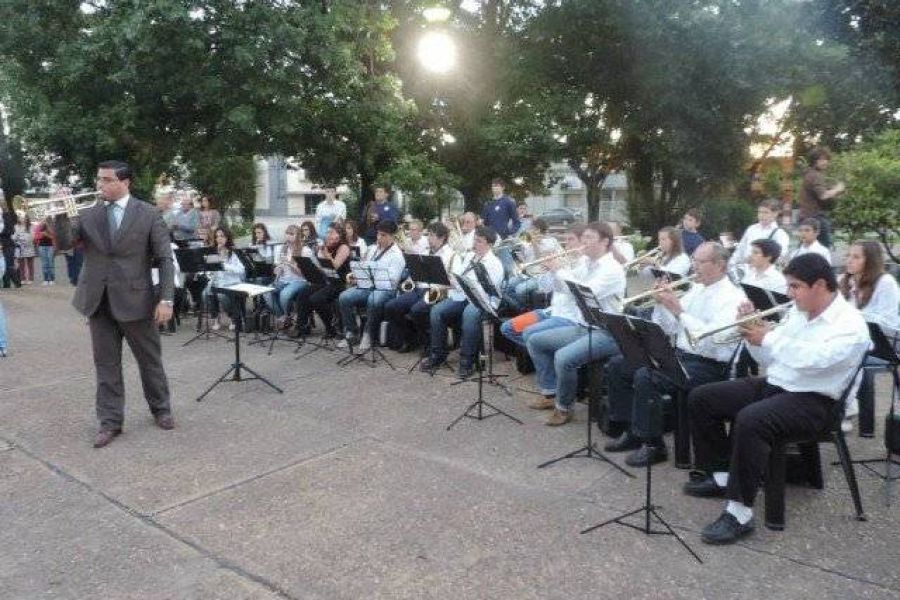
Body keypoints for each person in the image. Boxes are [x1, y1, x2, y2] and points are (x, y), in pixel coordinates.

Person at [684, 253, 870, 544]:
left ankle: (739, 513)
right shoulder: (798, 311)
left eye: (795, 286)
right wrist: (751, 332)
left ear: (820, 285)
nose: (788, 293)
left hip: (818, 401)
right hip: (779, 383)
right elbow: (770, 356)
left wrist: (768, 337)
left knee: (752, 419)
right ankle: (722, 475)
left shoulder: (851, 324)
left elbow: (815, 359)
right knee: (702, 397)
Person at [62, 160, 175, 448]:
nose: (100, 185)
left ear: (125, 183)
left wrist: (166, 298)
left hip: (137, 299)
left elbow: (164, 258)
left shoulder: (148, 213)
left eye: (107, 180)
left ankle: (161, 409)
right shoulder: (88, 213)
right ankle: (110, 422)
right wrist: (62, 215)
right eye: (99, 179)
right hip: (98, 300)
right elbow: (65, 242)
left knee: (149, 361)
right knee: (106, 366)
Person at [604, 243, 746, 464]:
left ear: (720, 265)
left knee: (646, 376)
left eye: (700, 262)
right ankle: (631, 429)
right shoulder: (697, 288)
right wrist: (662, 304)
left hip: (710, 365)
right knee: (619, 365)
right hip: (681, 354)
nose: (694, 267)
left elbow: (711, 340)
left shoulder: (733, 298)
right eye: (694, 261)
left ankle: (653, 445)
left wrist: (678, 311)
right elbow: (669, 328)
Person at [522, 222, 626, 426]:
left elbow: (584, 291)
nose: (584, 242)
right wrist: (552, 271)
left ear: (605, 242)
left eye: (589, 238)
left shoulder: (612, 269)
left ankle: (564, 407)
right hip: (584, 325)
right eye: (584, 237)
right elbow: (563, 288)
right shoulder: (586, 263)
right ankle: (550, 393)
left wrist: (560, 269)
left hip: (608, 332)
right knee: (535, 340)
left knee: (563, 358)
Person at [421, 225, 505, 379]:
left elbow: (486, 290)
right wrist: (451, 279)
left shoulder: (495, 263)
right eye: (475, 240)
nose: (475, 244)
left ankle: (467, 361)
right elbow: (458, 278)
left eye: (479, 241)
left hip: (482, 302)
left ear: (490, 245)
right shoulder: (469, 257)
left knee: (469, 314)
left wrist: (463, 283)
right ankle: (438, 354)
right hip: (462, 296)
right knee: (437, 311)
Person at [839, 240, 900, 435]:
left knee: (848, 357)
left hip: (883, 346)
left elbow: (888, 321)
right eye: (848, 256)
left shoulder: (885, 282)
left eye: (856, 257)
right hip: (855, 342)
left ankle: (846, 410)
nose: (849, 260)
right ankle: (839, 407)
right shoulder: (846, 281)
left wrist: (852, 314)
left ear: (870, 260)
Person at [384, 222, 455, 352]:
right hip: (419, 288)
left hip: (437, 291)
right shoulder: (425, 251)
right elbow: (416, 272)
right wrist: (409, 281)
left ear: (442, 237)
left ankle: (430, 341)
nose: (428, 238)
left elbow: (451, 281)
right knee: (392, 306)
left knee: (417, 310)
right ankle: (410, 338)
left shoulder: (450, 254)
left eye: (432, 235)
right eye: (428, 235)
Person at [337, 219, 405, 352]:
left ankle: (369, 334)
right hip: (368, 286)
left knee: (373, 299)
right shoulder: (372, 249)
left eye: (383, 235)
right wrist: (357, 275)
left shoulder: (397, 255)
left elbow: (393, 281)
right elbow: (364, 267)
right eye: (378, 234)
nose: (379, 238)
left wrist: (373, 276)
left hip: (386, 290)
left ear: (392, 236)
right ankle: (352, 332)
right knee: (344, 297)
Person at [294, 222, 352, 338]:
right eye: (327, 232)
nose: (328, 235)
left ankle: (331, 327)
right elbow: (321, 267)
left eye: (331, 232)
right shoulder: (326, 246)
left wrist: (325, 253)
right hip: (326, 281)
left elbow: (335, 265)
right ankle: (302, 326)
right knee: (303, 293)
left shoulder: (344, 247)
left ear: (339, 234)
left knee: (316, 299)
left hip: (339, 282)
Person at [799, 147, 845, 248]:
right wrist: (837, 189)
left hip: (805, 217)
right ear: (814, 161)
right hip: (816, 218)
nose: (825, 162)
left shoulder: (809, 174)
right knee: (823, 249)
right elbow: (823, 195)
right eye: (821, 159)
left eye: (826, 159)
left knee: (806, 248)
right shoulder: (815, 175)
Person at [266, 225, 309, 330]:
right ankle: (282, 317)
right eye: (287, 233)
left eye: (292, 234)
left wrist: (291, 265)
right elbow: (278, 268)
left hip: (299, 281)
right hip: (283, 280)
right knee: (266, 292)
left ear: (298, 236)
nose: (288, 236)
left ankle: (287, 318)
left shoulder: (305, 250)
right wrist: (277, 270)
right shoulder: (282, 249)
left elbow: (306, 274)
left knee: (284, 295)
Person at [203, 226, 246, 331]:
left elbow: (241, 270)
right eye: (217, 237)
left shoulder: (233, 252)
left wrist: (224, 266)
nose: (219, 239)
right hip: (217, 281)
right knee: (206, 293)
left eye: (222, 236)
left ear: (227, 237)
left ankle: (233, 318)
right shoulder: (213, 252)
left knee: (222, 296)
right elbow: (209, 271)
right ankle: (216, 318)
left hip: (231, 282)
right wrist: (209, 271)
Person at [728, 199, 790, 269]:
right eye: (759, 212)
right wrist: (730, 265)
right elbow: (740, 250)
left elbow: (779, 257)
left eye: (766, 212)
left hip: (764, 273)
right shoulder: (751, 229)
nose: (761, 215)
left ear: (775, 214)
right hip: (746, 270)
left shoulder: (780, 234)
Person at [1, 202, 21, 288]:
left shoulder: (6, 216)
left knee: (8, 265)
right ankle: (6, 284)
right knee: (2, 266)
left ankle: (17, 283)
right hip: (3, 244)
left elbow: (11, 231)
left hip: (7, 244)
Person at [13, 211, 35, 285]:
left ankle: (31, 279)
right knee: (21, 264)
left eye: (24, 217)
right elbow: (14, 236)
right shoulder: (16, 226)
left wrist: (24, 239)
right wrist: (17, 238)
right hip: (20, 248)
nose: (22, 219)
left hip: (29, 247)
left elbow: (32, 236)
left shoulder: (30, 226)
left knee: (30, 264)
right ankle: (23, 278)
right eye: (20, 218)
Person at [34, 217, 56, 286]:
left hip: (50, 246)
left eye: (45, 220)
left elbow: (54, 236)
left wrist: (47, 234)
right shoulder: (39, 227)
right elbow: (36, 237)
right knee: (44, 263)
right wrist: (42, 234)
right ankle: (46, 279)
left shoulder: (52, 227)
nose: (44, 221)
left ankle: (52, 279)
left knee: (50, 263)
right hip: (42, 246)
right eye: (43, 220)